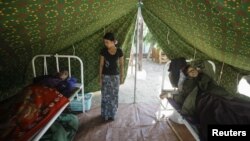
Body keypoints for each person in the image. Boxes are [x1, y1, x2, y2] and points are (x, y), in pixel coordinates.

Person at [99, 32, 124, 121]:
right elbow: (101, 65)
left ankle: (112, 114)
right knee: (105, 96)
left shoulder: (119, 51)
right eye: (104, 42)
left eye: (107, 42)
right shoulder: (103, 51)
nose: (105, 44)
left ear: (113, 42)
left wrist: (122, 77)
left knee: (114, 96)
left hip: (115, 77)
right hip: (105, 76)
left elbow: (121, 65)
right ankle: (105, 114)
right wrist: (100, 78)